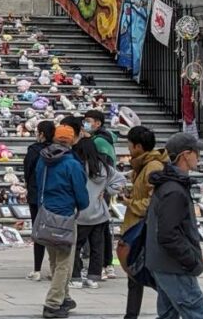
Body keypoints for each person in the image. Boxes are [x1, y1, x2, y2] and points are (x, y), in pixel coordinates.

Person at [146, 133, 203, 319]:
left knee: (168, 314)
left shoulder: (170, 185)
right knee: (196, 313)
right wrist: (190, 260)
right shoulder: (173, 190)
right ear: (185, 155)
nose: (199, 156)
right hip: (174, 265)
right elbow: (168, 233)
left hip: (164, 263)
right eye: (196, 152)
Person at [35, 125, 90, 318]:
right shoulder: (72, 164)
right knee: (64, 262)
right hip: (65, 215)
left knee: (54, 258)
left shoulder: (43, 160)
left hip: (46, 213)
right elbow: (82, 195)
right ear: (71, 140)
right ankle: (52, 303)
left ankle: (64, 297)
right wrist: (82, 205)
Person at [120, 126, 165, 319]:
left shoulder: (153, 167)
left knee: (151, 276)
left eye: (130, 144)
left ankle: (171, 308)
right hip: (135, 227)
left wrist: (130, 202)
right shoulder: (141, 166)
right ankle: (131, 315)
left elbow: (152, 202)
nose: (128, 148)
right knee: (134, 275)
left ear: (138, 146)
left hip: (143, 229)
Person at [70, 139, 125, 289]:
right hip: (99, 212)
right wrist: (107, 191)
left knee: (75, 247)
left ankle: (75, 276)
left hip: (80, 213)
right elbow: (120, 180)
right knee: (97, 247)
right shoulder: (104, 168)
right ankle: (93, 277)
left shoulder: (76, 167)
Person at [84, 109, 118, 279]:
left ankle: (103, 265)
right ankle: (106, 264)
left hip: (99, 189)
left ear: (98, 123)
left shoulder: (99, 142)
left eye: (89, 120)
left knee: (99, 228)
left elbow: (107, 166)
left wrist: (104, 187)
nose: (86, 123)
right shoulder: (103, 138)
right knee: (101, 227)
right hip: (100, 189)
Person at [24, 120, 57, 281]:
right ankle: (54, 268)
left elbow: (27, 170)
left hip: (36, 194)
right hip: (53, 195)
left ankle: (37, 269)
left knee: (38, 231)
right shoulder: (59, 150)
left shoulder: (34, 150)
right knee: (53, 231)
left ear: (41, 134)